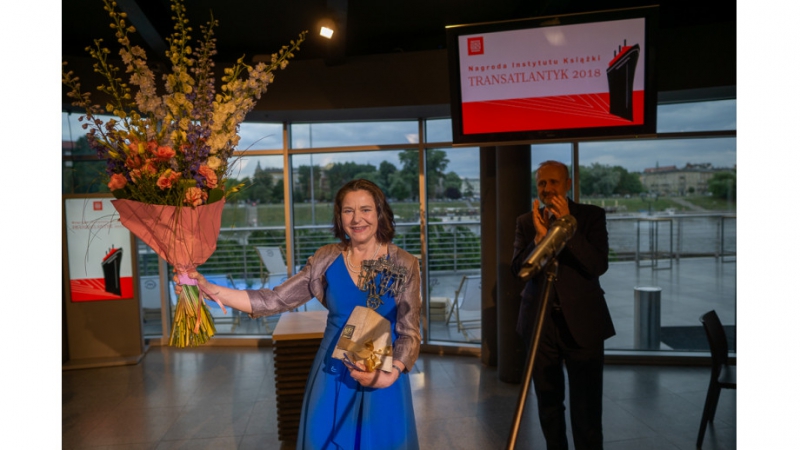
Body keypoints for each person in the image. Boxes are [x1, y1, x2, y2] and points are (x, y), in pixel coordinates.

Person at [178, 179, 421, 449]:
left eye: (365, 209)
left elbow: (409, 333)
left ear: (379, 213)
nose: (356, 219)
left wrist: (391, 374)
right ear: (339, 217)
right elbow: (274, 300)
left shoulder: (405, 263)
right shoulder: (326, 259)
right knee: (320, 438)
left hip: (382, 373)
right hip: (331, 372)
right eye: (348, 211)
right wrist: (211, 289)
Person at [511, 161, 616, 450]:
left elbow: (598, 265)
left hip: (583, 324)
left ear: (568, 185)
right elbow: (518, 270)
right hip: (540, 325)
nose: (547, 188)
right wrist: (539, 238)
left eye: (554, 182)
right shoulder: (526, 221)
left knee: (587, 408)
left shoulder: (591, 216)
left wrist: (567, 228)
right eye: (542, 183)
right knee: (548, 405)